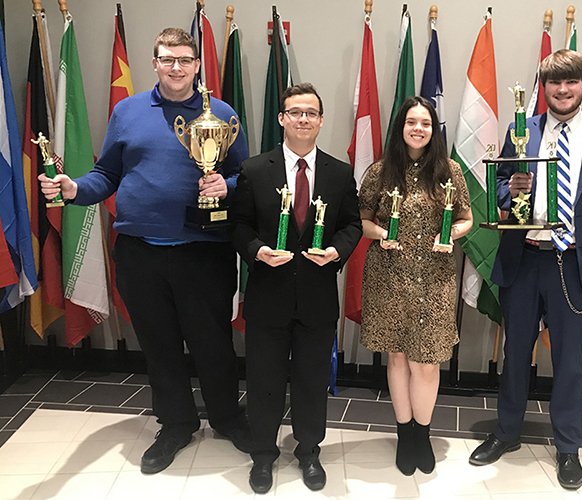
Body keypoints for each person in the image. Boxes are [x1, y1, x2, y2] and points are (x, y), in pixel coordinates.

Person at [39, 28, 251, 474]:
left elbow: (244, 178)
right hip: (139, 252)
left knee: (212, 342)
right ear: (154, 62)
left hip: (203, 251)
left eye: (185, 59)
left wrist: (225, 184)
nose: (177, 67)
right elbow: (106, 174)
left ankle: (228, 417)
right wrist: (75, 188)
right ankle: (176, 423)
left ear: (197, 65)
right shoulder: (127, 110)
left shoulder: (222, 113)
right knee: (158, 344)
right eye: (167, 58)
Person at [468, 50, 582, 490]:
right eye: (554, 83)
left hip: (571, 262)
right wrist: (510, 190)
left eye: (571, 82)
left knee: (570, 362)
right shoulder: (523, 130)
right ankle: (506, 433)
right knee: (515, 353)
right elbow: (501, 186)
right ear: (543, 87)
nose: (562, 90)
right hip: (525, 259)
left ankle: (568, 447)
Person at [230, 83, 362, 494]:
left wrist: (336, 253)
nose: (303, 118)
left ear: (321, 121)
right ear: (282, 119)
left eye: (311, 112)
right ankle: (264, 456)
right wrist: (257, 252)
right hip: (268, 295)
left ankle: (309, 452)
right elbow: (238, 226)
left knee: (310, 381)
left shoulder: (340, 173)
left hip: (318, 299)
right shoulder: (254, 169)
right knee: (265, 380)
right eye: (295, 112)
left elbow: (352, 225)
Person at [358, 96, 473, 476]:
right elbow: (362, 220)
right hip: (388, 274)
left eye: (425, 122)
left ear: (433, 129)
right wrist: (380, 234)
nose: (418, 128)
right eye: (411, 122)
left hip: (435, 277)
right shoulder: (380, 172)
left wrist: (453, 233)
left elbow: (466, 218)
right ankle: (404, 433)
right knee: (397, 358)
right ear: (401, 127)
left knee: (426, 362)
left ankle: (422, 434)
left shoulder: (450, 171)